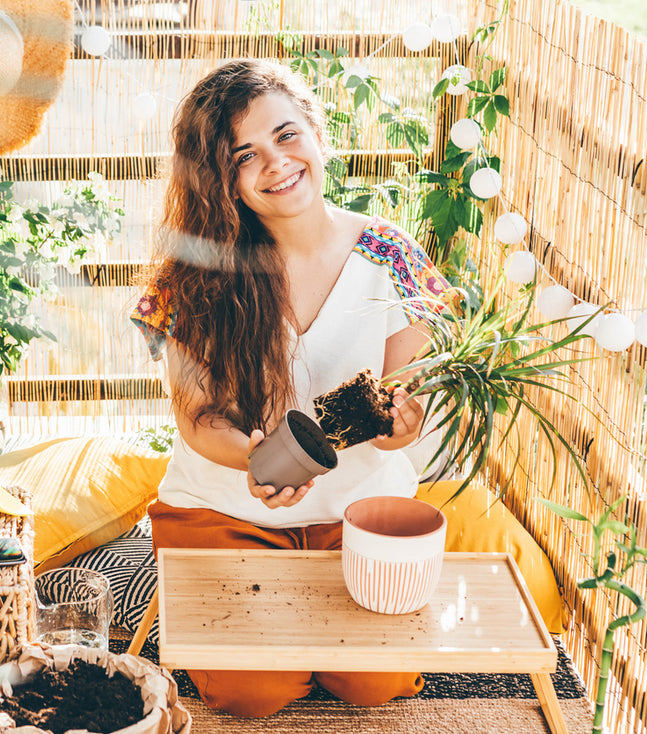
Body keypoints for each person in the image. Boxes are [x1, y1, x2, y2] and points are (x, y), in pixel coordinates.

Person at [130, 58, 450, 717]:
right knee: (254, 693)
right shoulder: (189, 274)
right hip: (227, 513)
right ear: (221, 181)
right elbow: (195, 419)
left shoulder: (394, 255)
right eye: (244, 155)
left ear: (315, 130)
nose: (276, 163)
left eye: (285, 135)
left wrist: (404, 424)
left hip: (358, 519)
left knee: (372, 685)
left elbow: (406, 393)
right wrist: (252, 455)